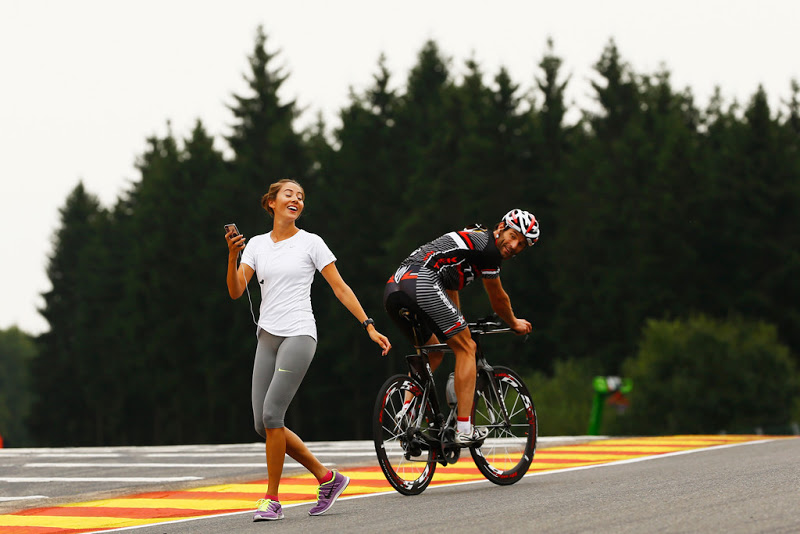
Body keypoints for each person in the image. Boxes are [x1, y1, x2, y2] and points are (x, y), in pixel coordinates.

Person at [225, 178, 391, 522]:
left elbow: (340, 288)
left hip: (299, 334)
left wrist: (368, 325)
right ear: (272, 202)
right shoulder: (256, 245)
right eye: (289, 194)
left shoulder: (311, 243)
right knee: (261, 424)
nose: (296, 200)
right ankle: (327, 478)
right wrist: (232, 257)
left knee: (273, 416)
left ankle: (272, 499)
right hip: (267, 337)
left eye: (300, 197)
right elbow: (236, 290)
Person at [383, 209, 538, 445]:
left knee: (434, 353)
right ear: (500, 227)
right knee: (467, 348)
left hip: (395, 287)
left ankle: (407, 413)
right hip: (422, 281)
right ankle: (465, 428)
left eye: (522, 245)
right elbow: (498, 299)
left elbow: (450, 285)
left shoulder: (472, 243)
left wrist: (458, 322)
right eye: (513, 236)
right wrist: (514, 322)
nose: (514, 246)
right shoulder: (489, 249)